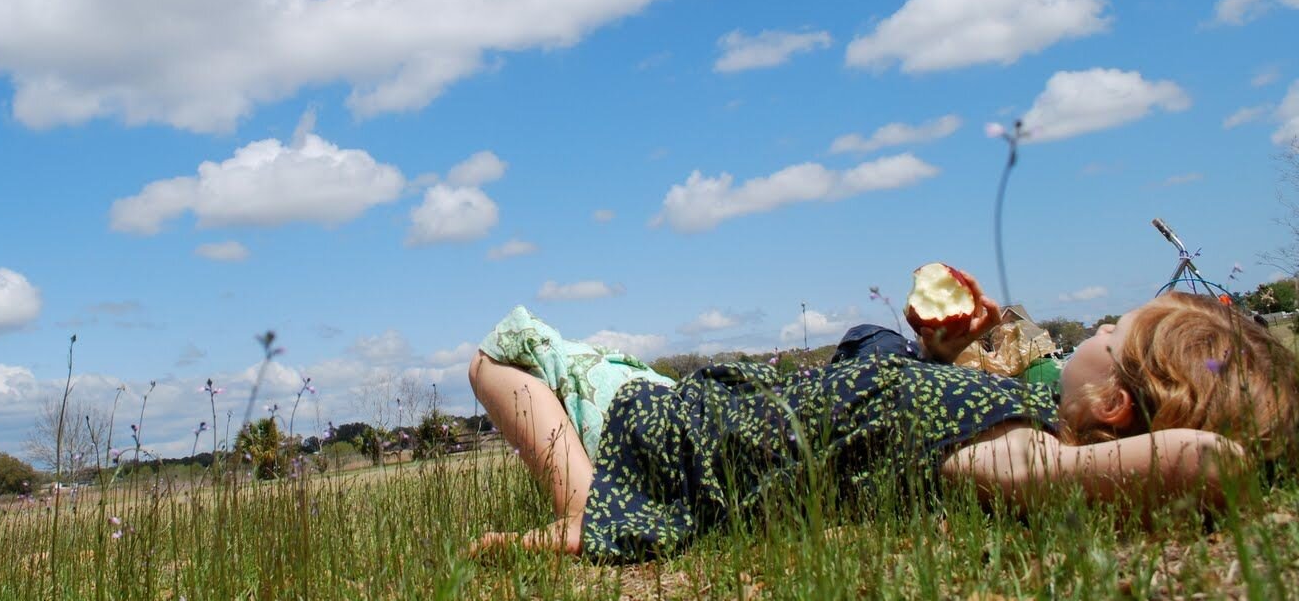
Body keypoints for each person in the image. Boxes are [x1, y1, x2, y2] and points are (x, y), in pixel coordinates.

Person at [468, 274, 1299, 561]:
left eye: (1111, 332)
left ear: (1113, 405)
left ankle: (579, 502)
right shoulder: (1016, 405)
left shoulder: (1017, 442)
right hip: (731, 414)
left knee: (500, 356)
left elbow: (1204, 462)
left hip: (689, 428)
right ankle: (588, 489)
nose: (1096, 330)